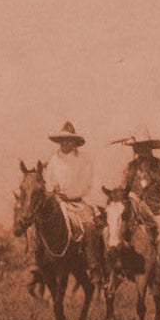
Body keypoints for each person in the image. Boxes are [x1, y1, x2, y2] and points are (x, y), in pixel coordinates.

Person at [44, 120, 104, 279]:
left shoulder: (83, 159)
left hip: (76, 201)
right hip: (57, 201)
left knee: (90, 225)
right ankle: (37, 260)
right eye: (63, 140)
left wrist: (70, 195)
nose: (65, 143)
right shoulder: (53, 160)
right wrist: (53, 190)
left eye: (69, 140)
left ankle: (93, 265)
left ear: (74, 142)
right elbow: (48, 181)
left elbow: (86, 184)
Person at [117, 124, 160, 209]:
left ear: (150, 147)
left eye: (145, 146)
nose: (142, 150)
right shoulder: (131, 167)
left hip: (158, 210)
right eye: (138, 147)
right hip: (136, 212)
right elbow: (123, 189)